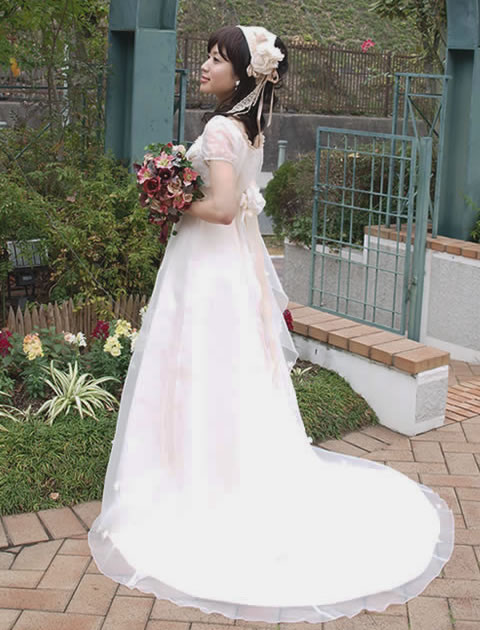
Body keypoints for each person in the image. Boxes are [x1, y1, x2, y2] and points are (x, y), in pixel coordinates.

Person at [88, 24, 454, 624]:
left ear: (241, 73)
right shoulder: (250, 129)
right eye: (207, 57)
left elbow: (222, 209)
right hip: (226, 267)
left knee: (197, 366)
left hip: (206, 266)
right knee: (225, 372)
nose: (205, 66)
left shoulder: (220, 129)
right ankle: (218, 468)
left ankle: (194, 480)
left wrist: (169, 199)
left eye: (215, 59)